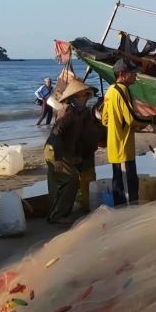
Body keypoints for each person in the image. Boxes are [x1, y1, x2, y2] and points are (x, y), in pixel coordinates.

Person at [102, 59, 156, 206]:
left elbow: (105, 119)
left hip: (114, 147)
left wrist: (121, 126)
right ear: (122, 74)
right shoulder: (122, 90)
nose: (135, 75)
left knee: (118, 184)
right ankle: (129, 215)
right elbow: (132, 118)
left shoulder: (110, 90)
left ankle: (120, 213)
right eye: (133, 73)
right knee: (128, 189)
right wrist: (151, 119)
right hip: (123, 147)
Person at [44, 79, 98, 225]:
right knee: (70, 179)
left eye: (86, 95)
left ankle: (59, 212)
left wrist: (78, 154)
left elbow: (82, 136)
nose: (84, 98)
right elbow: (55, 135)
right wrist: (58, 159)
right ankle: (58, 215)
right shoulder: (67, 112)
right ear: (73, 98)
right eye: (80, 96)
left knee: (65, 181)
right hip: (54, 150)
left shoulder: (83, 113)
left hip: (65, 150)